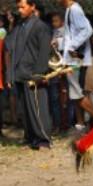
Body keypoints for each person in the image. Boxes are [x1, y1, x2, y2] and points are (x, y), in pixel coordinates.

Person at [6, 0, 52, 149]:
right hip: (20, 73)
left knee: (38, 108)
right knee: (25, 110)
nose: (19, 10)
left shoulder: (41, 27)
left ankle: (43, 140)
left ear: (32, 7)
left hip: (33, 74)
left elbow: (44, 52)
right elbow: (9, 47)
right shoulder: (19, 26)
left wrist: (39, 73)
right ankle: (30, 138)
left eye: (22, 7)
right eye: (18, 7)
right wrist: (10, 75)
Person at [58, 0, 93, 131]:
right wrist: (61, 43)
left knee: (76, 93)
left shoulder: (75, 10)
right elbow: (72, 35)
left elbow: (87, 30)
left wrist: (72, 46)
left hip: (76, 60)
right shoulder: (70, 9)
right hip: (74, 59)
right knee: (74, 94)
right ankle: (81, 124)